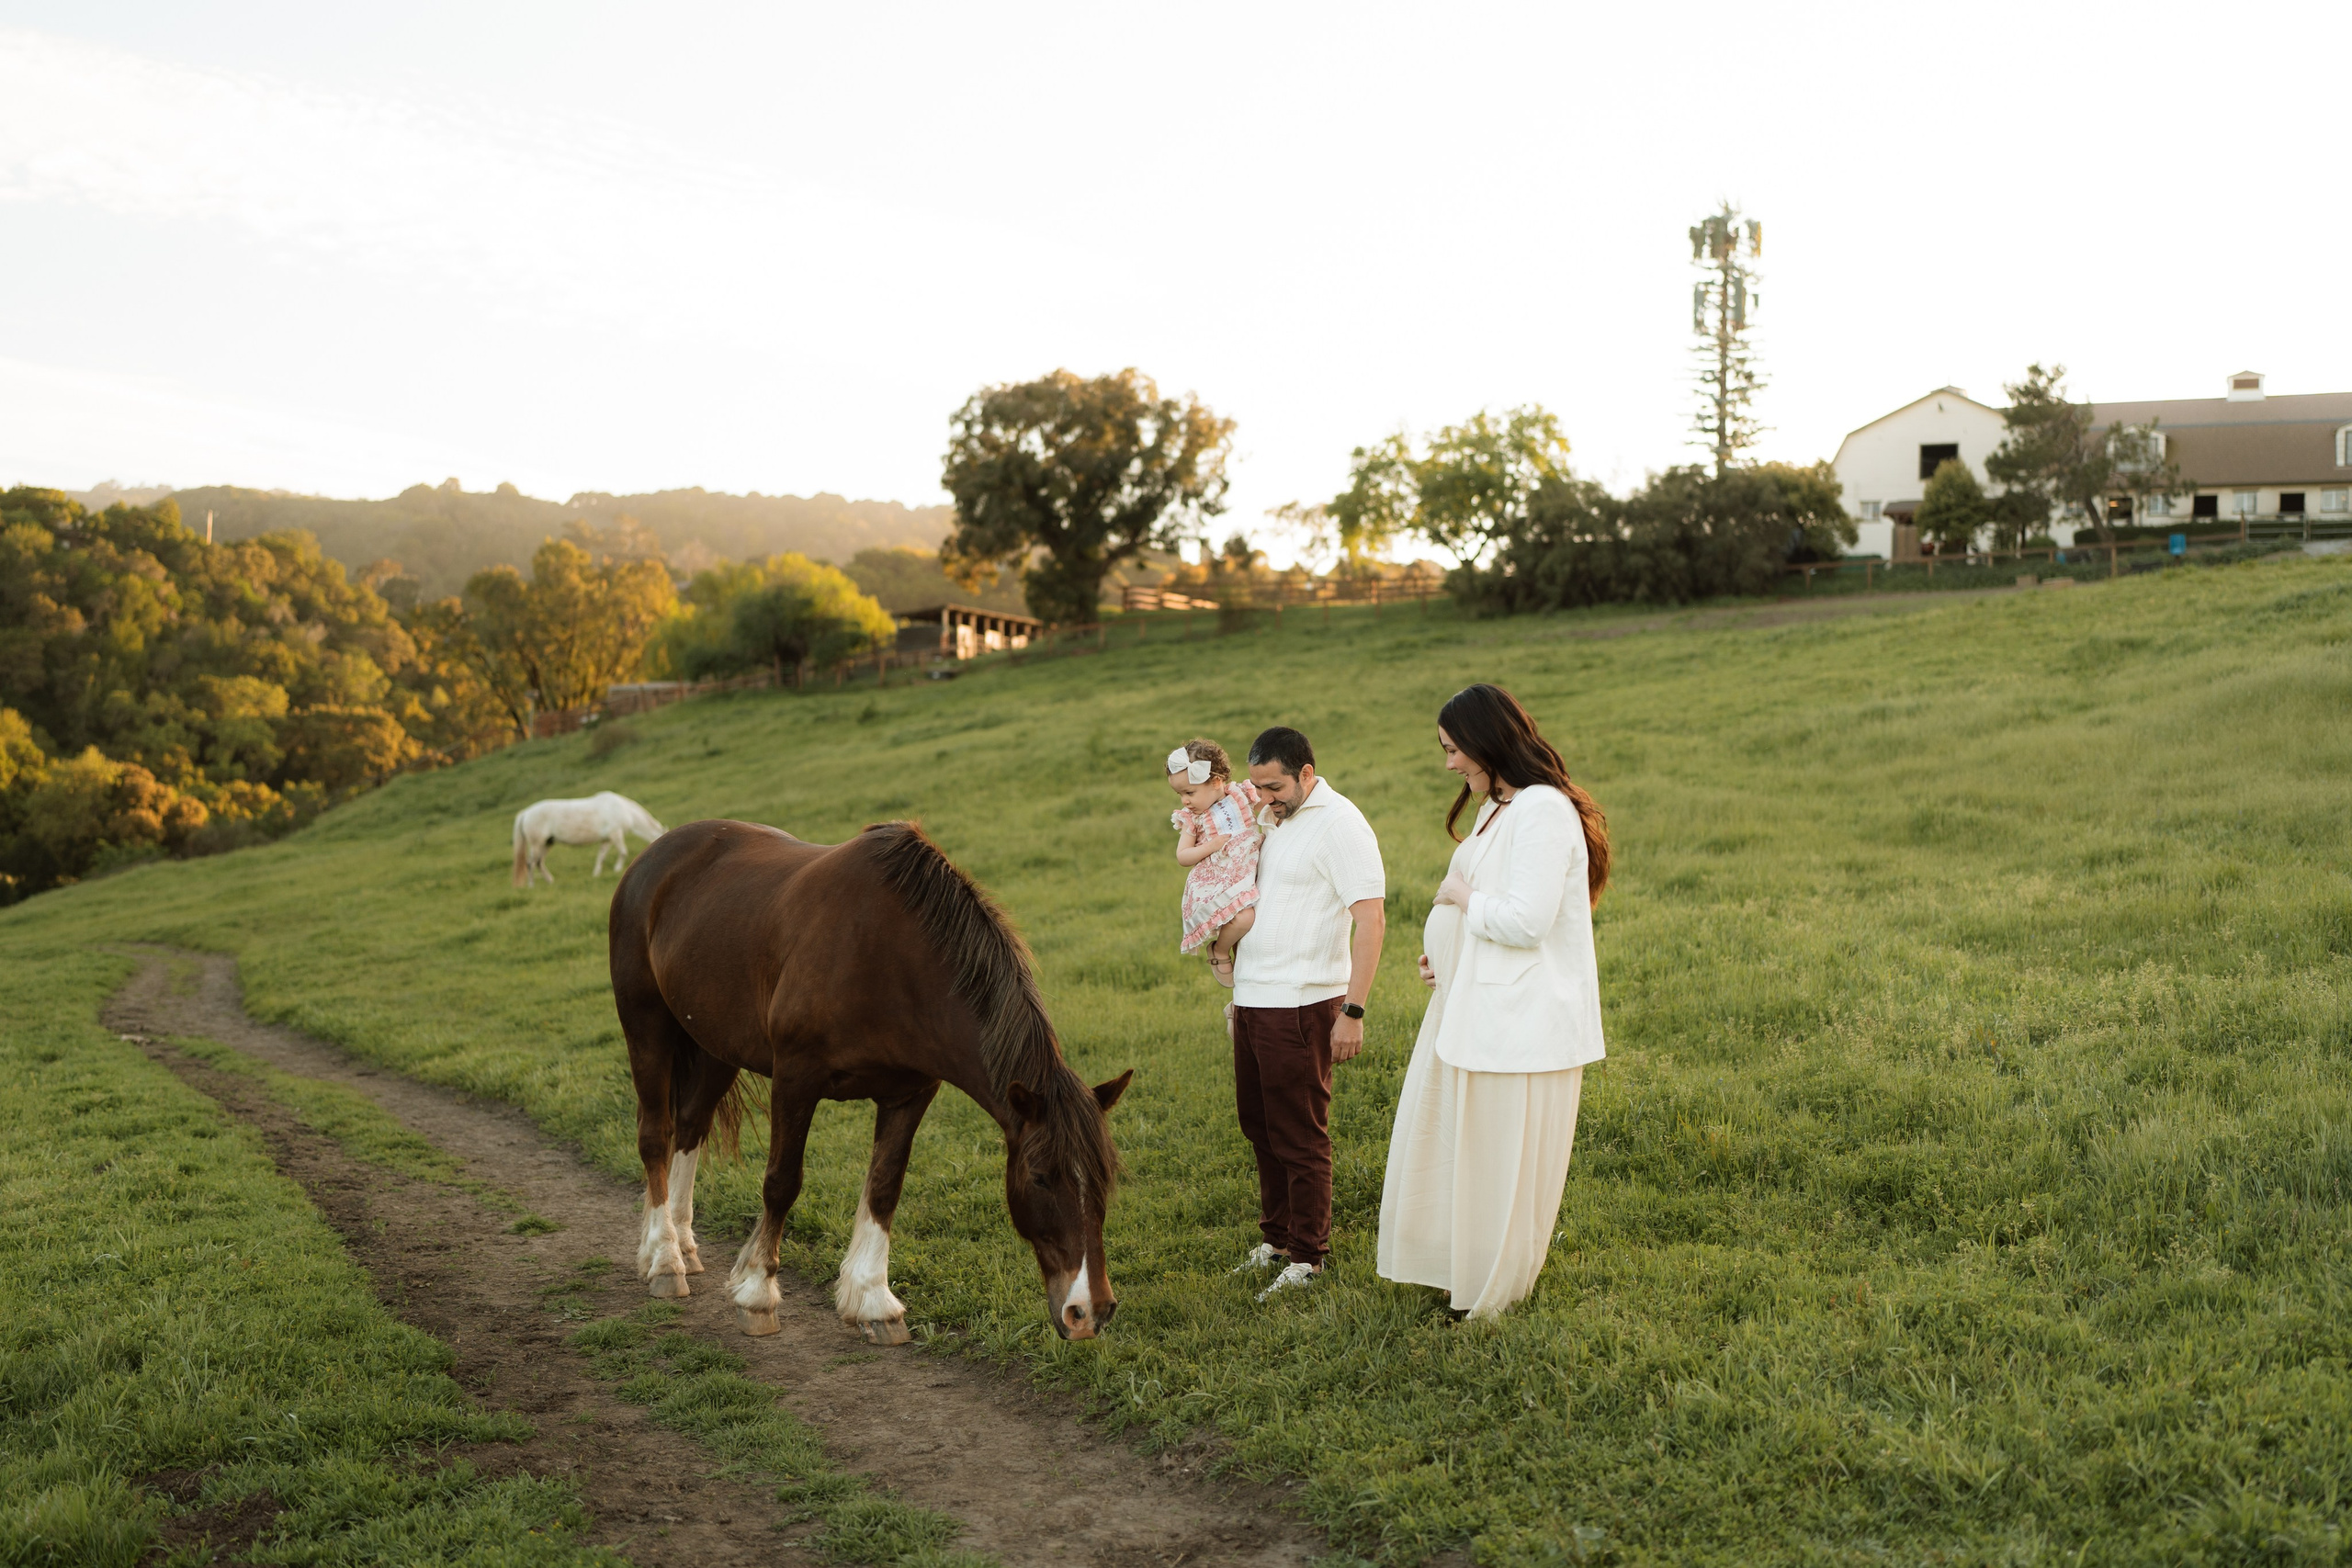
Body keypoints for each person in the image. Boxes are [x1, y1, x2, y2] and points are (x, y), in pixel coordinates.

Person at [1376, 682, 1611, 1320]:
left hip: (1523, 1022)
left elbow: (1526, 920)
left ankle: (1493, 1300)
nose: (1448, 763)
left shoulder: (1541, 809)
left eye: (1454, 749)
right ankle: (1465, 1280)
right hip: (1472, 1006)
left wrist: (1459, 900)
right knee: (1469, 1155)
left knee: (1503, 1164)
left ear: (1487, 741)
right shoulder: (1497, 807)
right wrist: (1447, 956)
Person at [1229, 726, 1385, 1301]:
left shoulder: (1341, 824)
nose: (1265, 798)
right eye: (1258, 787)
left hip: (1303, 1001)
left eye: (1274, 786)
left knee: (1299, 1134)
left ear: (1307, 774)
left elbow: (1371, 920)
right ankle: (1275, 1240)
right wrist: (1239, 992)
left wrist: (1354, 1009)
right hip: (1255, 1000)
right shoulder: (1274, 821)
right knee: (1259, 1127)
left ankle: (1308, 1257)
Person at [1166, 739, 1262, 987]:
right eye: (1180, 794)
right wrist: (1210, 846)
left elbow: (1268, 809)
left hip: (1249, 869)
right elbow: (1183, 856)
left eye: (1189, 792)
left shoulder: (1242, 795)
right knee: (1244, 918)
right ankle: (1219, 951)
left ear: (1216, 782)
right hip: (1219, 878)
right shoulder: (1192, 818)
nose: (1185, 801)